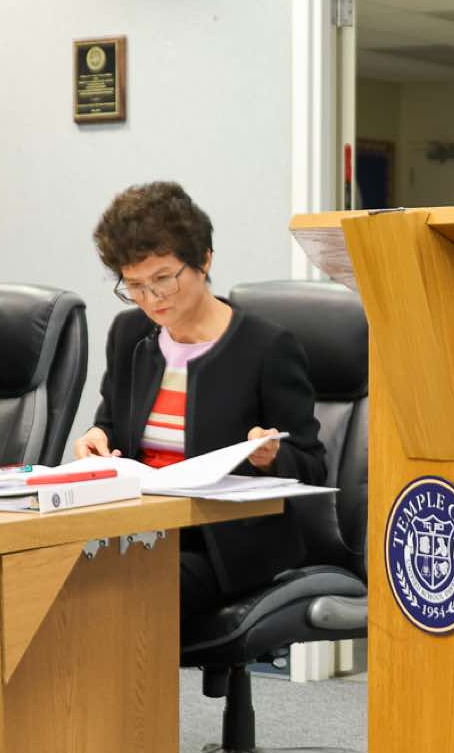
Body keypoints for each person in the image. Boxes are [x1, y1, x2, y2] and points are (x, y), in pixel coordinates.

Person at [78, 182, 326, 624]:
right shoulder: (129, 335)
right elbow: (112, 426)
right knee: (49, 573)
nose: (151, 298)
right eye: (134, 285)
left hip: (223, 545)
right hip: (139, 528)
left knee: (126, 591)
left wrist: (271, 457)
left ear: (204, 260)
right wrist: (97, 439)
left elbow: (312, 466)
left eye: (163, 279)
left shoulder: (266, 347)